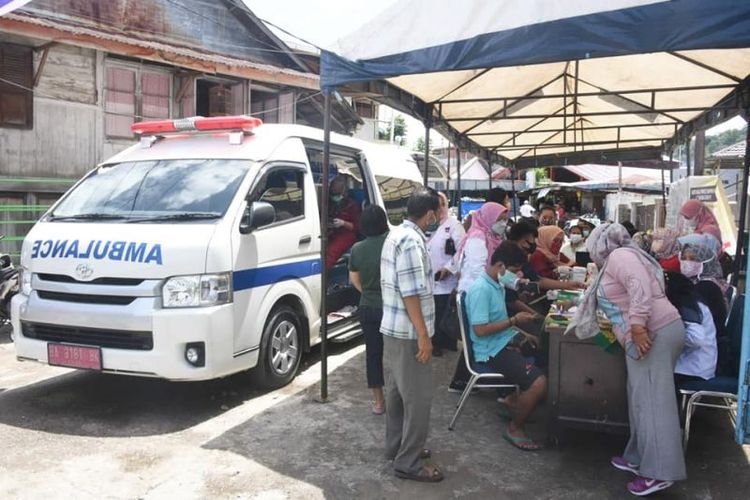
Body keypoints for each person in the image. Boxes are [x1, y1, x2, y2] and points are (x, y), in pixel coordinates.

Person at [571, 223, 686, 496]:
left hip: (652, 332)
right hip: (650, 332)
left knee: (654, 403)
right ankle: (638, 456)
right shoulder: (619, 258)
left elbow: (639, 287)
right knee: (640, 398)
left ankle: (659, 472)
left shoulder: (621, 256)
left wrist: (636, 326)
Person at [379, 188, 443, 482]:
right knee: (417, 399)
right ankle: (409, 463)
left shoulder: (396, 235)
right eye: (439, 212)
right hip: (408, 333)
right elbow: (411, 293)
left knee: (397, 395)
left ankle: (397, 447)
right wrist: (423, 336)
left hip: (394, 329)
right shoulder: (412, 242)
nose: (440, 217)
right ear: (429, 214)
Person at [465, 242, 545, 450]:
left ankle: (515, 402)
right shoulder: (481, 289)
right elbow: (480, 330)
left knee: (546, 350)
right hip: (491, 351)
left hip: (503, 341)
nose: (517, 276)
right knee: (539, 383)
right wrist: (514, 321)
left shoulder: (496, 285)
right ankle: (515, 428)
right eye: (513, 271)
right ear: (500, 265)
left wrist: (523, 333)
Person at [349, 205, 389, 415]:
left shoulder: (357, 249)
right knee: (397, 355)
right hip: (391, 309)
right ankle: (400, 400)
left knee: (373, 355)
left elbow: (354, 280)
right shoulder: (391, 244)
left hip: (367, 307)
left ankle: (379, 402)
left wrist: (369, 292)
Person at [427, 192, 466, 356]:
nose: (440, 209)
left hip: (446, 281)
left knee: (444, 312)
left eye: (443, 204)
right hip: (428, 280)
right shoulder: (428, 225)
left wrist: (448, 268)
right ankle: (434, 343)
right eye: (437, 205)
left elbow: (462, 250)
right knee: (432, 313)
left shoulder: (454, 225)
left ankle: (446, 343)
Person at [665, 272, 718, 383]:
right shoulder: (691, 303)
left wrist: (670, 337)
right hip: (691, 367)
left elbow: (697, 339)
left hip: (692, 371)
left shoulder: (688, 307)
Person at [453, 202, 508, 293]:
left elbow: (497, 269)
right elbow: (477, 270)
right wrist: (493, 288)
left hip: (486, 289)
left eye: (505, 220)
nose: (503, 224)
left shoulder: (494, 238)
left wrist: (514, 281)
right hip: (475, 291)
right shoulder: (477, 236)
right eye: (500, 220)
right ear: (490, 218)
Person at [326, 175, 361, 270]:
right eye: (333, 193)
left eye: (337, 194)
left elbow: (357, 227)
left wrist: (343, 223)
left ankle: (324, 276)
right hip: (332, 232)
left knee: (330, 253)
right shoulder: (330, 204)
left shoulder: (352, 205)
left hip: (347, 235)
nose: (334, 196)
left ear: (344, 192)